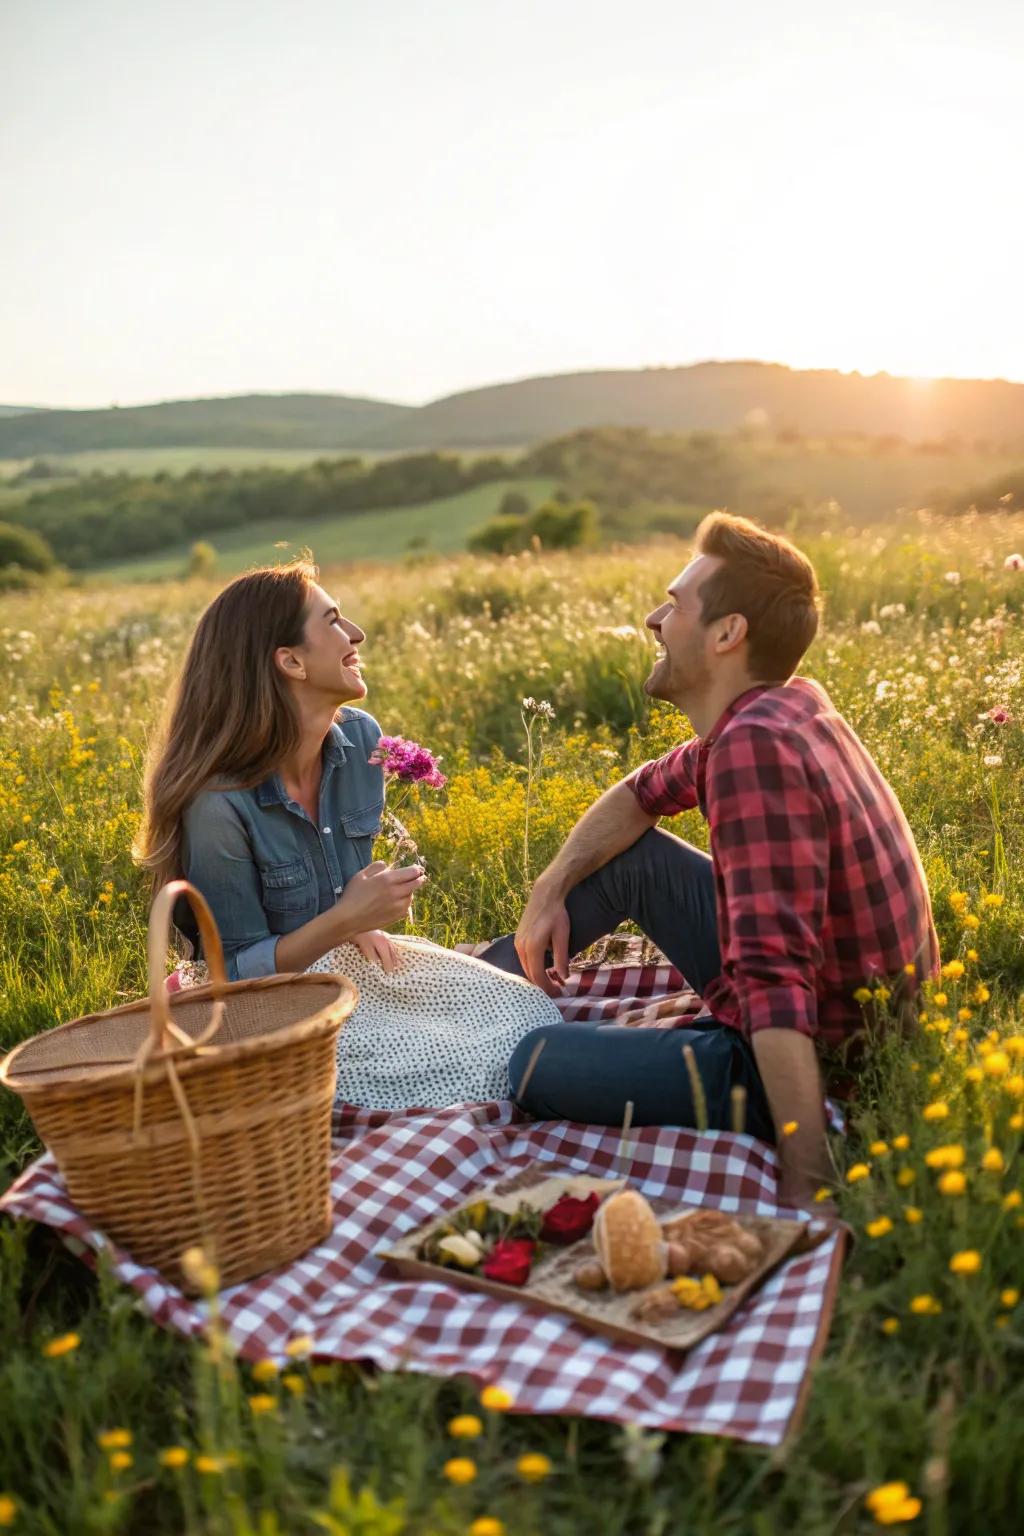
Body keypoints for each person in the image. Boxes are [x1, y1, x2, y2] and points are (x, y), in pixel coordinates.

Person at [483, 512, 938, 1207]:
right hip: (837, 1004)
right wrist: (550, 887)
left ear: (728, 634)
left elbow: (777, 983)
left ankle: (472, 1020)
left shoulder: (757, 749)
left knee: (532, 1063)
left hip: (824, 1056)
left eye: (674, 604)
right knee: (634, 858)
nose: (653, 619)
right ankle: (466, 993)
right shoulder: (785, 707)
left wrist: (806, 1174)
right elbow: (639, 793)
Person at [135, 558, 561, 1111]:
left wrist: (353, 923)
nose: (356, 633)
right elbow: (233, 978)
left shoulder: (362, 741)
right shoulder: (217, 805)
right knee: (477, 1068)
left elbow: (336, 888)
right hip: (275, 1011)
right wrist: (346, 919)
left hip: (353, 972)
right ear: (290, 661)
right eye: (333, 620)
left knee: (525, 1014)